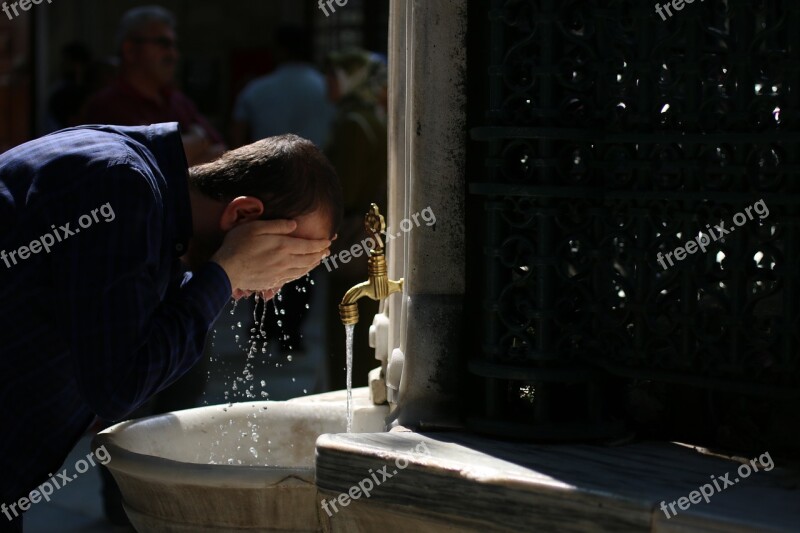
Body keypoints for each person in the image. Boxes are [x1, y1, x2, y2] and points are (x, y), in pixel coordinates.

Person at [0, 123, 341, 531]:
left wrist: (217, 278)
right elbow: (120, 384)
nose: (270, 291)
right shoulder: (121, 187)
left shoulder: (145, 197)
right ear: (243, 214)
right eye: (282, 261)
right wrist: (227, 273)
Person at [84, 6, 224, 166]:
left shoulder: (178, 100)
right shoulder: (106, 107)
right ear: (130, 50)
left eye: (174, 45)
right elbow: (139, 166)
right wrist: (198, 140)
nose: (174, 54)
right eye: (163, 43)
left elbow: (221, 151)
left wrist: (177, 155)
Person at [323, 49, 389, 390]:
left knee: (346, 322)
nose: (327, 83)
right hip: (370, 235)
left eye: (335, 75)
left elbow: (345, 190)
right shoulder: (373, 117)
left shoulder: (353, 124)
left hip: (352, 237)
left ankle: (344, 388)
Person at [230, 25, 333, 149]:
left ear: (279, 50)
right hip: (319, 164)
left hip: (268, 165)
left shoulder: (254, 90)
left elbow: (236, 136)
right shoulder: (328, 88)